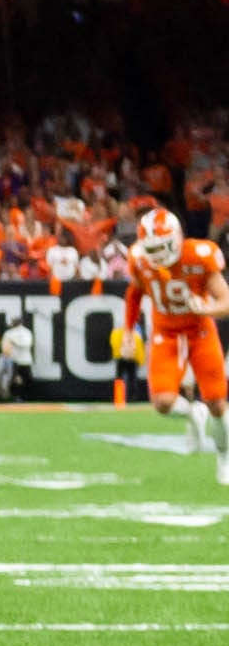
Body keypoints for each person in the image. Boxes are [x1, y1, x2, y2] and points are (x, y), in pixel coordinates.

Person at [125, 206, 229, 483]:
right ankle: (193, 413)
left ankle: (224, 457)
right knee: (162, 403)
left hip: (199, 332)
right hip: (166, 333)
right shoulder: (139, 259)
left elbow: (225, 301)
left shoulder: (199, 255)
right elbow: (134, 293)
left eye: (161, 247)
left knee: (217, 403)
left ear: (176, 239)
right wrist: (128, 331)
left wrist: (206, 308)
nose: (156, 255)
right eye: (151, 248)